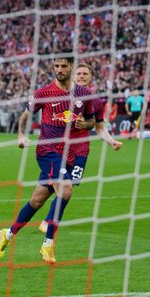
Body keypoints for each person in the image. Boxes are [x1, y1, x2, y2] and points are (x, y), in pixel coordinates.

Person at [0, 56, 98, 264]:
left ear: (71, 67)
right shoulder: (44, 93)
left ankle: (7, 234)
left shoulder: (83, 94)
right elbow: (25, 115)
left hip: (69, 154)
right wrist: (21, 135)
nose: (59, 69)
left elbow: (92, 120)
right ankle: (48, 244)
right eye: (56, 66)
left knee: (36, 201)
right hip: (47, 151)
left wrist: (84, 125)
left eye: (63, 66)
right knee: (66, 190)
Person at [38, 64, 122, 233]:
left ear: (91, 77)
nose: (82, 76)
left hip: (80, 151)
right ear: (73, 75)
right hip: (59, 148)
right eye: (79, 73)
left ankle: (48, 221)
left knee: (68, 188)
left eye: (85, 74)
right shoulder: (60, 95)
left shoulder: (95, 102)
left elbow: (99, 127)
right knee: (45, 193)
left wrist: (111, 141)